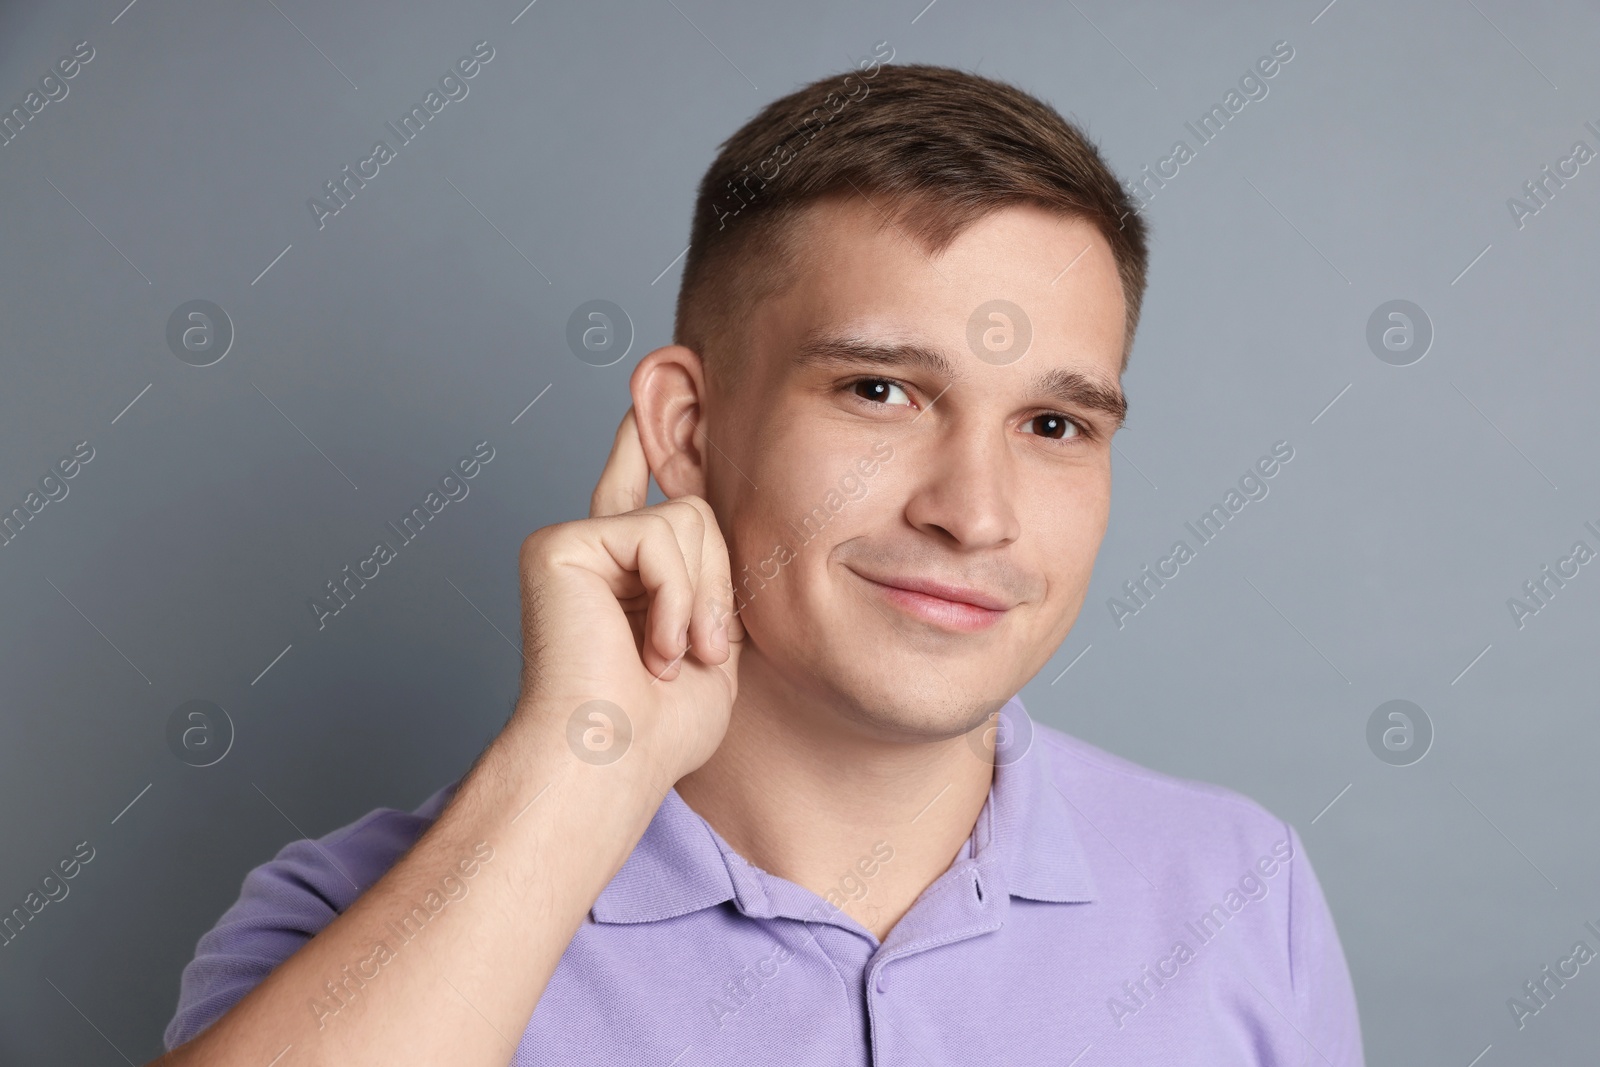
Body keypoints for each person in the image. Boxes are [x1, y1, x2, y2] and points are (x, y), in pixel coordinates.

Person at [153, 60, 1363, 1066]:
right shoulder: (352, 917)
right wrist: (579, 775)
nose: (976, 512)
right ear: (688, 426)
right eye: (880, 390)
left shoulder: (1237, 891)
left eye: (1054, 425)